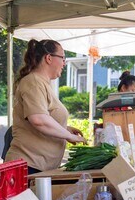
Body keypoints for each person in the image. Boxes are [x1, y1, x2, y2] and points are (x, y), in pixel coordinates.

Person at [5, 39, 85, 175]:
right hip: (28, 166)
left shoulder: (42, 83)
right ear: (48, 58)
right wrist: (69, 136)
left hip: (39, 167)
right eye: (62, 58)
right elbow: (38, 119)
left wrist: (64, 128)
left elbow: (45, 116)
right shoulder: (33, 82)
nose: (64, 63)